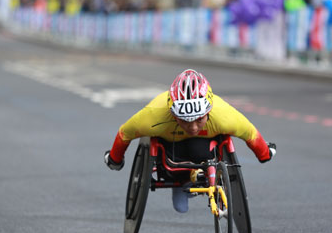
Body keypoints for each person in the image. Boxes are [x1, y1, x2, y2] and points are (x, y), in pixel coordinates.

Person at [104, 69, 276, 213]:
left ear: (209, 111)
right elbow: (124, 134)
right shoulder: (153, 115)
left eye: (199, 119)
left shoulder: (224, 115)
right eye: (185, 120)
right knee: (173, 157)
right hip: (172, 149)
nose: (193, 127)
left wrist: (264, 154)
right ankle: (181, 182)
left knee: (198, 146)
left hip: (205, 148)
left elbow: (250, 133)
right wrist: (115, 159)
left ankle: (194, 177)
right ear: (173, 113)